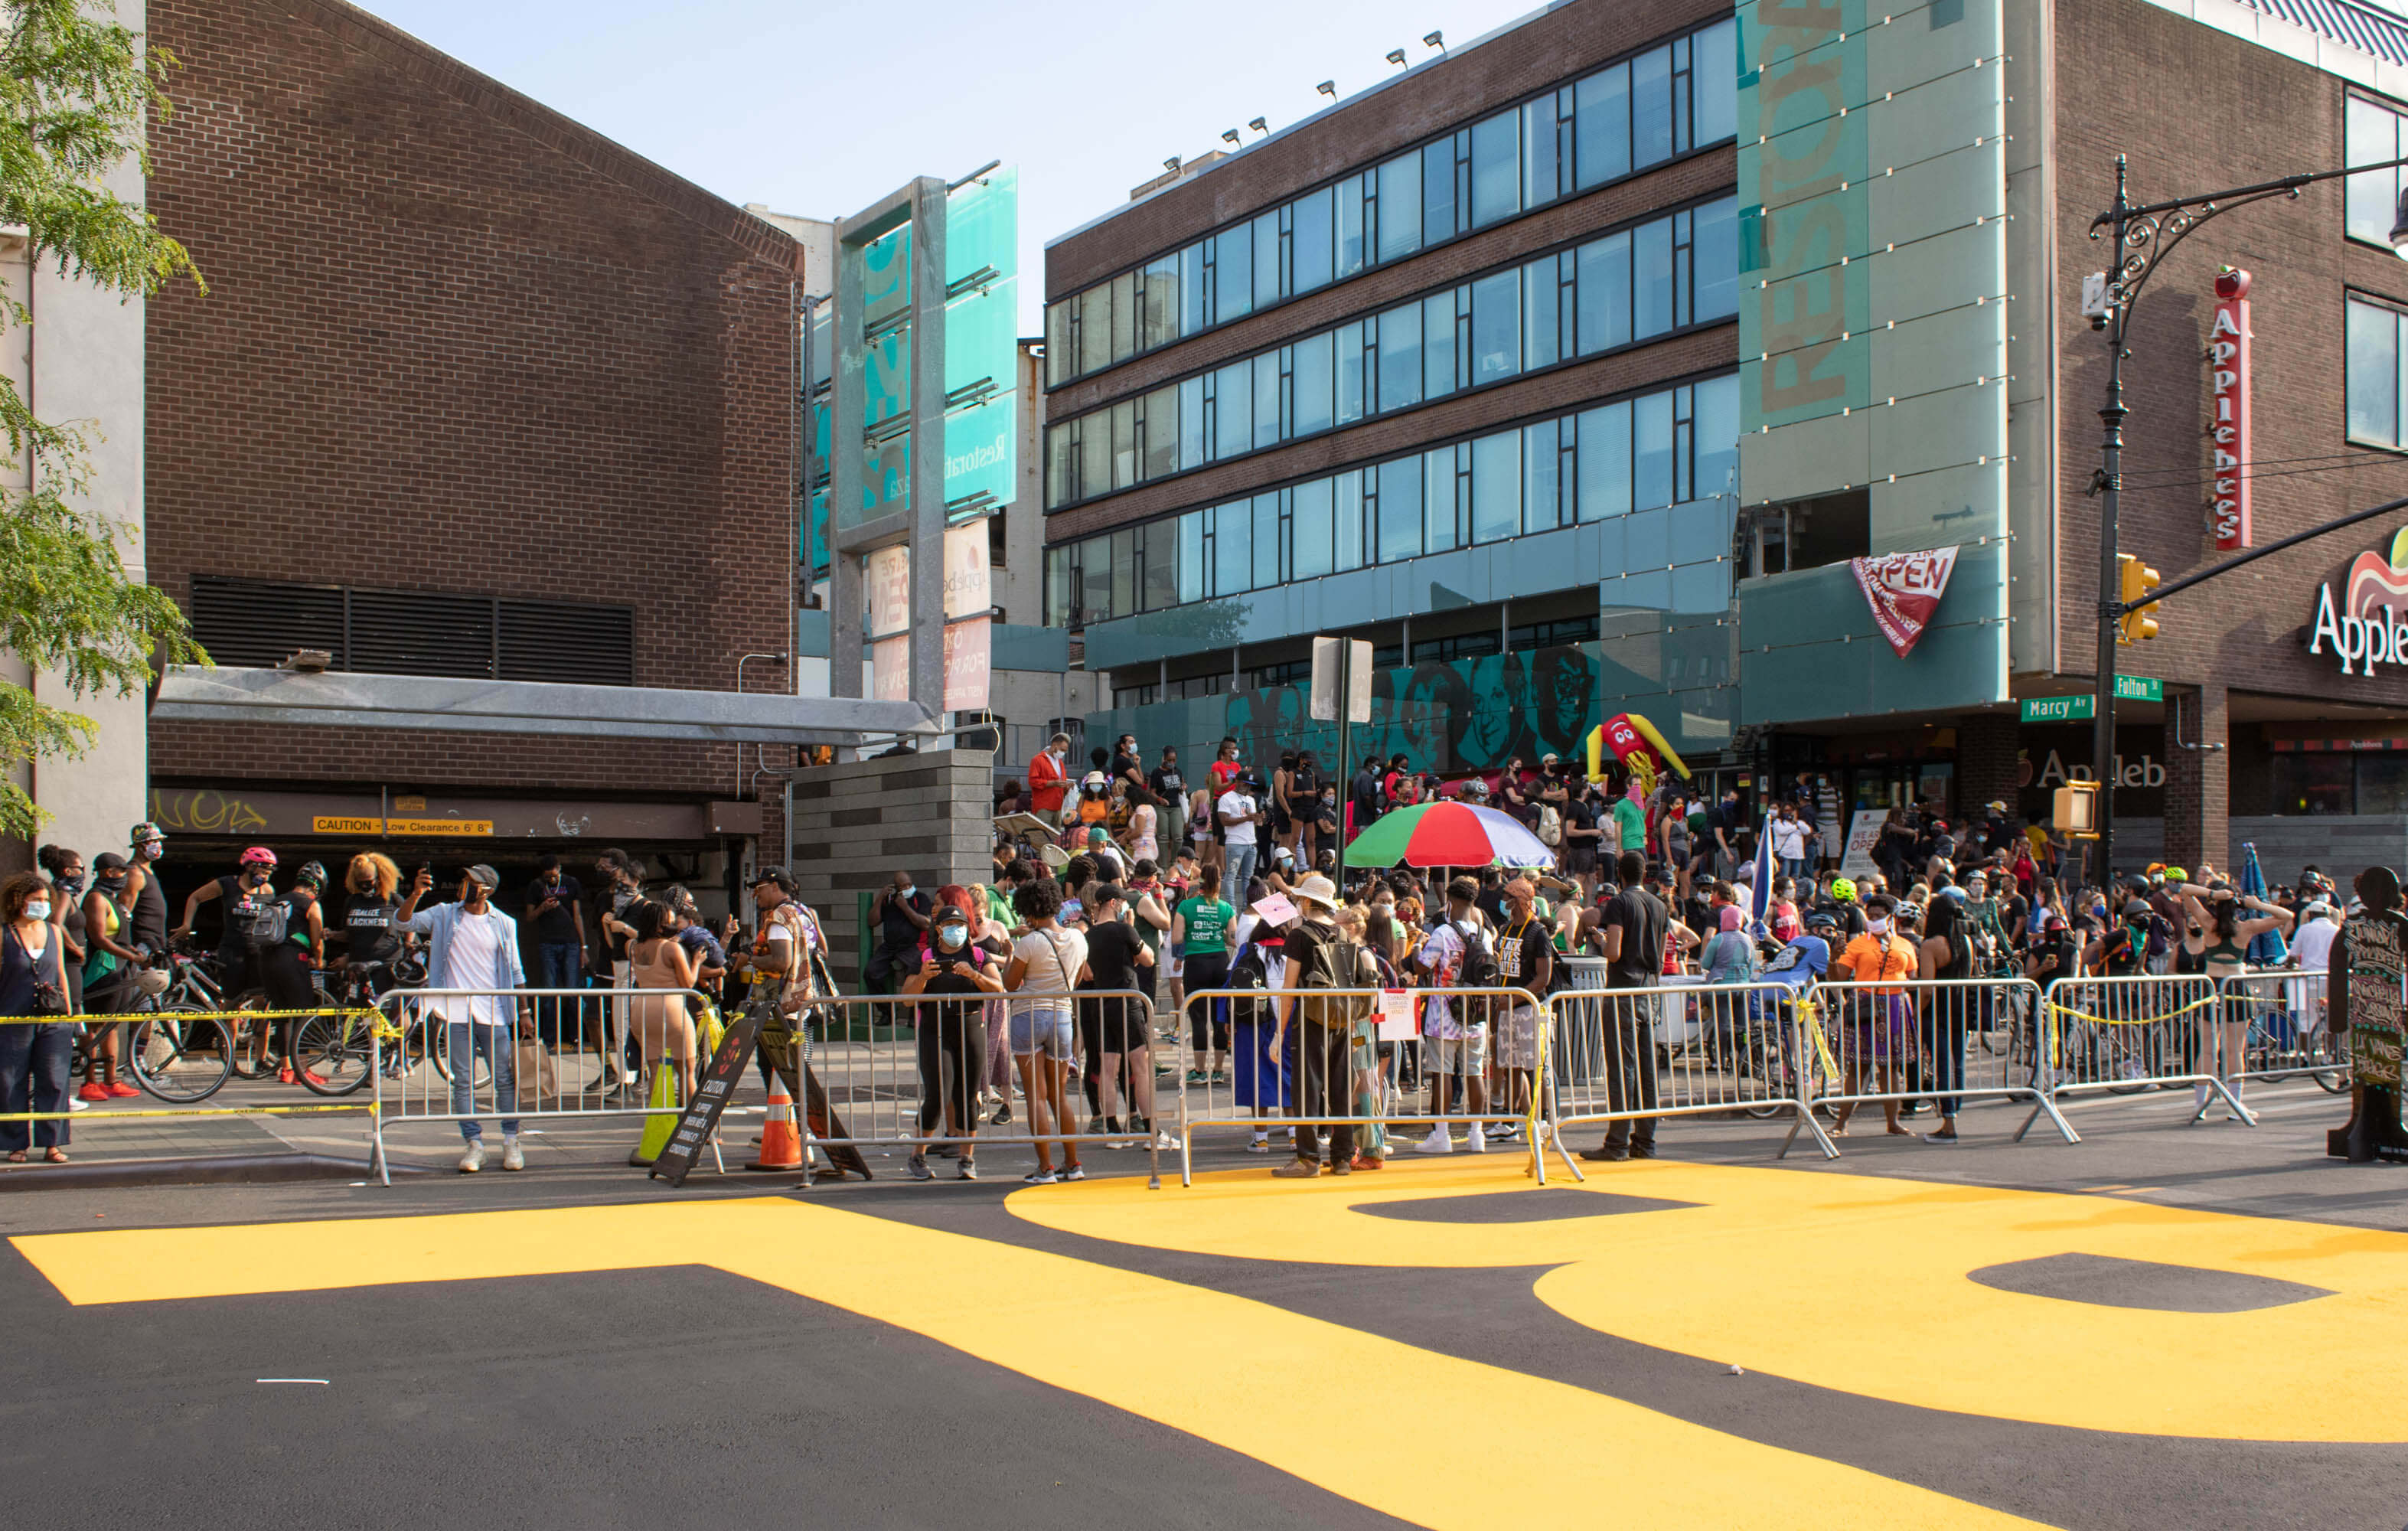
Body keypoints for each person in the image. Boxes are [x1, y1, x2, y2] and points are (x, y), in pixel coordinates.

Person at [394, 863, 528, 1173]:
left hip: (493, 1010)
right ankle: (474, 1145)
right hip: (455, 1012)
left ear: (488, 890)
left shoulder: (504, 923)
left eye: (473, 881)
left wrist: (524, 1011)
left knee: (504, 1079)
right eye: (465, 879)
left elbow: (516, 968)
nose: (464, 884)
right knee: (463, 1081)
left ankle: (511, 1140)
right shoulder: (444, 913)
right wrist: (415, 894)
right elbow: (403, 923)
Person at [175, 847, 320, 1081]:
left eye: (270, 871)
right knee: (230, 1006)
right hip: (232, 952)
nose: (267, 875)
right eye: (264, 869)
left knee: (263, 1007)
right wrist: (185, 925)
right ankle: (230, 1059)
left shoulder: (269, 891)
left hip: (259, 953)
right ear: (249, 866)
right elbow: (195, 897)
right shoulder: (227, 884)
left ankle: (261, 1060)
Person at [1269, 873, 1379, 1178]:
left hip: (1310, 1020)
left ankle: (1308, 1159)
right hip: (1341, 1019)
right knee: (1341, 1087)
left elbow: (1289, 989)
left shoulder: (1300, 936)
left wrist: (1279, 1033)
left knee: (1306, 1088)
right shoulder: (1342, 934)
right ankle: (1342, 1157)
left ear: (1306, 901)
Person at [902, 899, 1003, 1180]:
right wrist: (923, 977)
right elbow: (908, 999)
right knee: (938, 1094)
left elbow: (998, 989)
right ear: (939, 928)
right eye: (949, 925)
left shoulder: (979, 956)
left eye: (959, 925)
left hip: (971, 1027)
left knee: (969, 1096)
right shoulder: (925, 957)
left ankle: (967, 1158)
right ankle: (917, 1156)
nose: (955, 930)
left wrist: (974, 975)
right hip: (935, 1029)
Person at [2178, 877, 2294, 1118]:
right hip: (2236, 987)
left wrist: (2212, 893)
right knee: (2235, 1051)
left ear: (2217, 904)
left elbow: (2185, 890)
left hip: (2210, 986)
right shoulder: (2247, 927)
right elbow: (2286, 916)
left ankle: (2200, 1106)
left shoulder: (2207, 922)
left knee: (2207, 1049)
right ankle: (2235, 1105)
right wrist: (2259, 904)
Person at [1003, 876, 1088, 1185]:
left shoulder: (1030, 942)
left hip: (1029, 1015)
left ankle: (1045, 1168)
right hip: (1063, 1016)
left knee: (1036, 1097)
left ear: (1029, 910)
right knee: (1059, 1096)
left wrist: (1010, 954)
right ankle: (1073, 1163)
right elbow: (1077, 980)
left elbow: (1010, 984)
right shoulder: (1079, 938)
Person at [1586, 850, 1669, 1161]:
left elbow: (1614, 953)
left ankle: (1617, 1142)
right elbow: (1659, 959)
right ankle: (1645, 1141)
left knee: (1622, 1067)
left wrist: (1600, 936)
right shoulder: (1660, 905)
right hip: (1650, 988)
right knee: (1647, 1068)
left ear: (1620, 874)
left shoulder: (1619, 903)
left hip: (1623, 988)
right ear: (1644, 874)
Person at [1075, 883, 1166, 1150]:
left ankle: (1112, 1128)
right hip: (1128, 1001)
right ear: (1114, 903)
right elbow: (1148, 958)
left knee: (1107, 1067)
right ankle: (1152, 1131)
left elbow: (1088, 974)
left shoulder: (1089, 935)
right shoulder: (1125, 929)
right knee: (1140, 1065)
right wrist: (1132, 947)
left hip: (1101, 1002)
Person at [2328, 866, 2408, 1163]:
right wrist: (2337, 1017)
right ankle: (2370, 1125)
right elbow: (2336, 966)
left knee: (2378, 1065)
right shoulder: (2396, 924)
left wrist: (2337, 1019)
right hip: (2378, 1013)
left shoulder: (2353, 926)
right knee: (2377, 1066)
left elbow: (2337, 967)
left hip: (2373, 1013)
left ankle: (2374, 1125)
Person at [1414, 876, 1493, 1154]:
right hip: (1475, 1011)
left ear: (1451, 901)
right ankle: (1476, 1133)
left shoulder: (1443, 933)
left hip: (1443, 1012)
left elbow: (1423, 967)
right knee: (1475, 1073)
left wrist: (1416, 946)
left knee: (1442, 1072)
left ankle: (1442, 1134)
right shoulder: (1485, 934)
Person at [1829, 893, 1919, 1137]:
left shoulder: (1904, 945)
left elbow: (1912, 976)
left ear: (1892, 918)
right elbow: (1838, 977)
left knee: (1890, 1068)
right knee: (1857, 1067)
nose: (1874, 920)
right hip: (1866, 1005)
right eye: (1871, 916)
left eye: (1880, 916)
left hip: (1895, 1006)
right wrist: (1834, 957)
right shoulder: (1857, 944)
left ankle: (1893, 1122)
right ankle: (1841, 1123)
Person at [624, 899, 699, 1160]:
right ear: (659, 923)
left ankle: (660, 1125)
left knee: (657, 1068)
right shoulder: (671, 949)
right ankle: (690, 1129)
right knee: (686, 1069)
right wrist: (697, 960)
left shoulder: (632, 946)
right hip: (671, 1008)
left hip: (642, 1008)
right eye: (668, 920)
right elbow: (688, 982)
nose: (672, 925)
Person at [1489, 876, 1554, 1141]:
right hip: (1508, 1006)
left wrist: (1514, 999)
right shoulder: (1505, 929)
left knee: (1534, 1065)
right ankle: (1509, 1119)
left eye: (1508, 898)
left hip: (1528, 1007)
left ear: (1520, 901)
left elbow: (1543, 977)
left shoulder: (1537, 933)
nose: (1504, 902)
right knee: (1510, 1064)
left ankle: (1544, 1119)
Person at [76, 853, 142, 1100]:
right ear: (109, 872)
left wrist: (132, 952)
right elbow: (99, 939)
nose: (125, 876)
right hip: (102, 969)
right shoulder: (96, 898)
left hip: (121, 968)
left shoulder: (113, 900)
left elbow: (120, 937)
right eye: (121, 871)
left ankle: (111, 1080)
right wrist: (131, 956)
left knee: (113, 1025)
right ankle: (90, 1082)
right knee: (95, 1025)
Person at [1917, 894, 1975, 1144]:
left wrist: (1916, 1012)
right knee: (1958, 1062)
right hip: (1960, 1007)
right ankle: (1954, 1113)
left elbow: (1927, 988)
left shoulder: (1931, 945)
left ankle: (1948, 1122)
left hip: (1937, 1011)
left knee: (1942, 1065)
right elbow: (1970, 974)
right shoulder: (1966, 942)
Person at [1173, 862, 1235, 1084]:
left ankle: (1200, 1070)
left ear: (1200, 881)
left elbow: (1176, 938)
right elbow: (1232, 939)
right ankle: (1218, 1070)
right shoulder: (1226, 907)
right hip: (1220, 961)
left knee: (1198, 1018)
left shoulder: (1186, 907)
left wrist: (1194, 931)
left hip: (1196, 962)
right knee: (1219, 1017)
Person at [591, 848, 645, 1097]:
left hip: (636, 970)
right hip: (619, 966)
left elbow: (648, 939)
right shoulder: (618, 907)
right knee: (620, 1024)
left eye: (624, 881)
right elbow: (613, 946)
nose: (620, 886)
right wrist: (607, 926)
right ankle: (629, 1076)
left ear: (635, 881)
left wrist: (624, 928)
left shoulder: (645, 907)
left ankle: (630, 1078)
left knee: (629, 1023)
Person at [521, 856, 586, 1036]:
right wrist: (542, 908)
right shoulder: (536, 886)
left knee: (572, 993)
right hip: (547, 943)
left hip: (571, 942)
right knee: (549, 994)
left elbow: (577, 915)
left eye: (554, 875)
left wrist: (584, 947)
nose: (551, 879)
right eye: (548, 877)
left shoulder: (571, 883)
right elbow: (529, 917)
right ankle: (549, 1039)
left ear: (560, 868)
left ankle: (576, 1037)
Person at [866, 869, 933, 992]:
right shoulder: (890, 900)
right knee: (871, 972)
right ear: (896, 888)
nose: (907, 888)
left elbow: (925, 924)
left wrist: (905, 907)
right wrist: (881, 897)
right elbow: (872, 921)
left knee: (914, 972)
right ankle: (887, 1009)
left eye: (909, 884)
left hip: (913, 946)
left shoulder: (920, 898)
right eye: (902, 886)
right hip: (889, 947)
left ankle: (913, 1008)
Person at [1218, 770, 1265, 900]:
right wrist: (1246, 818)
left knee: (1248, 878)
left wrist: (1260, 818)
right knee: (1231, 876)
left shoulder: (1250, 799)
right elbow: (1224, 821)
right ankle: (1232, 908)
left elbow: (1254, 822)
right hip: (1235, 843)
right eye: (1245, 784)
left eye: (1250, 785)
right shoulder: (1226, 798)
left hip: (1250, 843)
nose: (1248, 787)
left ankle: (1246, 907)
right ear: (1237, 782)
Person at [1028, 732, 1072, 825]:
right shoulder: (1038, 760)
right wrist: (1053, 783)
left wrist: (1068, 785)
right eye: (1062, 750)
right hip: (1043, 806)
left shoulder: (1060, 763)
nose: (1063, 753)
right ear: (1055, 745)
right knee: (1043, 835)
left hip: (1058, 806)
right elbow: (1033, 781)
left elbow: (1062, 781)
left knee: (1055, 837)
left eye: (1065, 751)